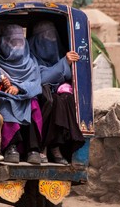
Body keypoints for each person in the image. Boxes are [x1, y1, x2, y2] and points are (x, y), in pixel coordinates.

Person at [28, 21, 85, 165]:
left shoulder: (60, 53)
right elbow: (42, 78)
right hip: (39, 94)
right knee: (49, 99)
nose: (50, 42)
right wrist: (64, 63)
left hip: (57, 94)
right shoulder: (30, 57)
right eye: (46, 38)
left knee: (64, 100)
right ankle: (43, 147)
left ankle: (55, 147)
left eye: (53, 38)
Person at [0, 24, 43, 164]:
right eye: (12, 42)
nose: (17, 46)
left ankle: (33, 149)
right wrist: (2, 82)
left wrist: (19, 87)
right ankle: (11, 147)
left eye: (20, 42)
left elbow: (35, 82)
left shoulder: (30, 61)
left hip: (26, 95)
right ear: (4, 42)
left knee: (33, 105)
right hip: (4, 95)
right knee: (6, 103)